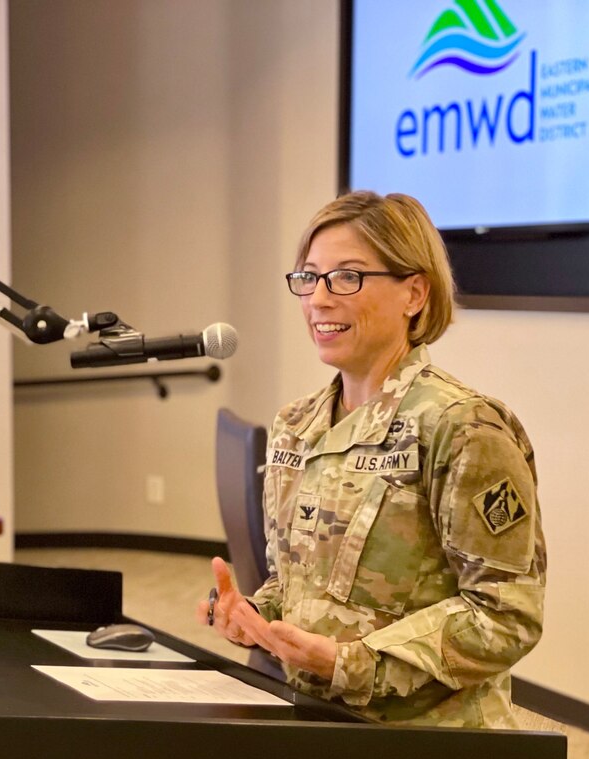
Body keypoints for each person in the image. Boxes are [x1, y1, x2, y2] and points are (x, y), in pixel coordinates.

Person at [199, 191, 546, 728]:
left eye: (347, 277)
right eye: (309, 277)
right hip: (317, 722)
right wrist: (255, 615)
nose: (319, 299)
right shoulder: (297, 424)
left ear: (413, 293)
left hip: (429, 751)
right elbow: (298, 585)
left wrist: (351, 664)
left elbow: (506, 614)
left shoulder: (462, 426)